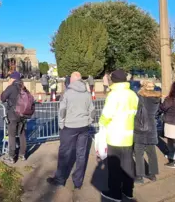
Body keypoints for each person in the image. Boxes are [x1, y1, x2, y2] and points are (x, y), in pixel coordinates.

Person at [46, 72, 93, 191]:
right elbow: (92, 111)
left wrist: (61, 124)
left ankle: (60, 179)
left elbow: (62, 111)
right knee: (81, 154)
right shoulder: (87, 93)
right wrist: (89, 121)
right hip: (84, 126)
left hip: (69, 126)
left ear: (72, 80)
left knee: (64, 153)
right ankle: (78, 182)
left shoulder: (67, 93)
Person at [99, 70, 138, 202]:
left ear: (113, 80)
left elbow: (107, 115)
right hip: (129, 135)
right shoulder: (133, 94)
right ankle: (128, 191)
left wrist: (101, 124)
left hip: (115, 135)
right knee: (128, 165)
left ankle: (115, 193)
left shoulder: (113, 95)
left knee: (114, 167)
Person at [133, 81, 161, 184]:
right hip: (152, 125)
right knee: (152, 152)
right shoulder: (157, 98)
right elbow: (158, 112)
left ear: (143, 87)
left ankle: (139, 176)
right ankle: (152, 174)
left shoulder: (140, 97)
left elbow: (135, 110)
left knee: (138, 153)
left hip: (140, 125)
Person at [1, 71, 29, 164]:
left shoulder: (11, 87)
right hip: (23, 115)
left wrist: (8, 86)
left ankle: (12, 156)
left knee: (12, 135)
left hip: (13, 115)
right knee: (22, 134)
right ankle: (22, 154)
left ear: (13, 79)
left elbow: (3, 98)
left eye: (10, 78)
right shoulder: (24, 88)